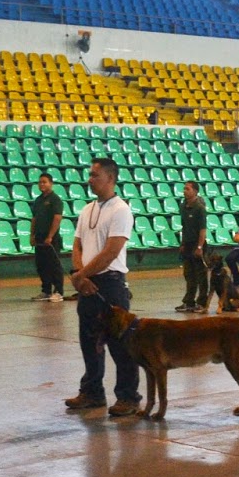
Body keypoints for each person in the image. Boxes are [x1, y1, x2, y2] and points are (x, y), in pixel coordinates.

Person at [63, 157, 140, 416]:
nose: (90, 179)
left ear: (110, 178)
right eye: (90, 174)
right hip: (88, 282)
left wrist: (81, 274)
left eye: (95, 175)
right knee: (89, 342)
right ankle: (92, 392)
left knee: (121, 344)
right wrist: (80, 275)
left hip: (110, 284)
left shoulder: (121, 210)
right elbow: (77, 245)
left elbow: (111, 251)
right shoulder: (87, 210)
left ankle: (129, 397)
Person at [29, 172, 65, 302]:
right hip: (39, 237)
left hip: (51, 239)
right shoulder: (38, 200)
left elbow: (57, 218)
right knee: (41, 265)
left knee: (54, 266)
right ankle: (46, 291)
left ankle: (59, 291)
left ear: (51, 183)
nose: (42, 184)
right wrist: (32, 235)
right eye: (40, 182)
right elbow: (34, 219)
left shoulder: (55, 200)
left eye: (44, 182)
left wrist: (50, 236)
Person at [176, 180, 208, 313]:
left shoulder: (200, 208)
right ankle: (189, 302)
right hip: (187, 244)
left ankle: (202, 303)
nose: (184, 191)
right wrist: (183, 243)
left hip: (197, 244)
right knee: (189, 274)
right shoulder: (183, 206)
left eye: (187, 189)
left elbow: (202, 230)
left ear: (195, 191)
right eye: (184, 188)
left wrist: (199, 247)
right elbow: (184, 226)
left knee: (201, 275)